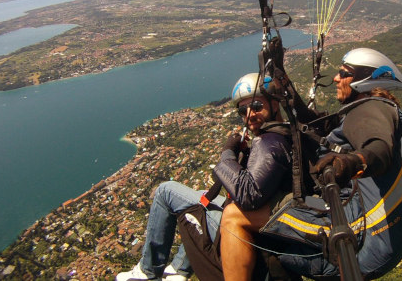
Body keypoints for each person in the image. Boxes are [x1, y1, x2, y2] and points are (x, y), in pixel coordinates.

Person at [221, 47, 402, 280]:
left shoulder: (369, 109)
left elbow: (379, 150)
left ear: (364, 80)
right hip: (362, 220)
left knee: (234, 216)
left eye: (344, 73)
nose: (336, 77)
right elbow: (314, 124)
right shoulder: (357, 113)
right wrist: (284, 81)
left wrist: (351, 162)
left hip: (354, 224)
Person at [116, 73, 293, 281]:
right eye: (243, 110)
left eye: (256, 106)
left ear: (274, 104)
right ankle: (178, 270)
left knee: (166, 191)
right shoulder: (285, 133)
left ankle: (147, 272)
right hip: (263, 220)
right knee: (202, 197)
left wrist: (227, 153)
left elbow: (248, 195)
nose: (249, 115)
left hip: (251, 227)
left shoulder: (269, 143)